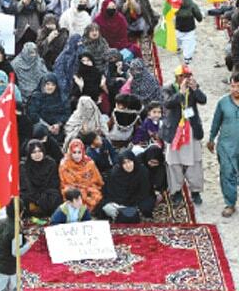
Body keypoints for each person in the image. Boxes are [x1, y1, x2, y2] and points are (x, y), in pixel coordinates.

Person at [162, 65, 206, 205]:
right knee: (174, 162)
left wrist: (195, 89)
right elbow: (167, 104)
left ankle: (195, 191)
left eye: (188, 76)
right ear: (177, 77)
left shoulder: (193, 87)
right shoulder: (168, 88)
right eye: (183, 76)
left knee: (195, 161)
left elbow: (203, 100)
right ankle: (176, 191)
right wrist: (180, 93)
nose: (186, 79)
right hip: (175, 130)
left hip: (191, 128)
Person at [0, 198, 33, 291]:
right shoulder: (17, 230)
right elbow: (16, 252)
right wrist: (29, 244)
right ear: (20, 213)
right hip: (9, 267)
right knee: (11, 289)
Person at [208, 72, 239, 218]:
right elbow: (216, 122)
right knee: (227, 174)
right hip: (226, 146)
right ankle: (230, 203)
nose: (235, 90)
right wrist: (211, 138)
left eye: (238, 87)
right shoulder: (223, 102)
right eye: (233, 86)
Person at [102, 150, 155, 222]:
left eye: (129, 161)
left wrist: (134, 203)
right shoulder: (116, 173)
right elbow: (112, 192)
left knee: (146, 206)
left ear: (133, 160)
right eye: (124, 163)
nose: (128, 165)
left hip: (139, 198)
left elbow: (145, 191)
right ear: (121, 164)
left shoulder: (142, 171)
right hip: (120, 200)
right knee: (107, 207)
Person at [58, 138, 104, 211]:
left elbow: (97, 180)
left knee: (95, 194)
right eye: (74, 152)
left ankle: (88, 212)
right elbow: (65, 182)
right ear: (70, 152)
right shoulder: (64, 164)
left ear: (83, 152)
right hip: (71, 188)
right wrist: (81, 189)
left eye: (79, 152)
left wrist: (87, 187)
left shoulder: (89, 163)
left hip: (88, 187)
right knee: (71, 194)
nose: (77, 155)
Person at [174, 0, 202, 65]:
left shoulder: (176, 3)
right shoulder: (192, 4)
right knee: (189, 42)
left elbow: (172, 11)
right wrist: (199, 19)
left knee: (178, 37)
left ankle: (178, 48)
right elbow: (197, 14)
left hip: (179, 24)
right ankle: (187, 58)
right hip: (189, 26)